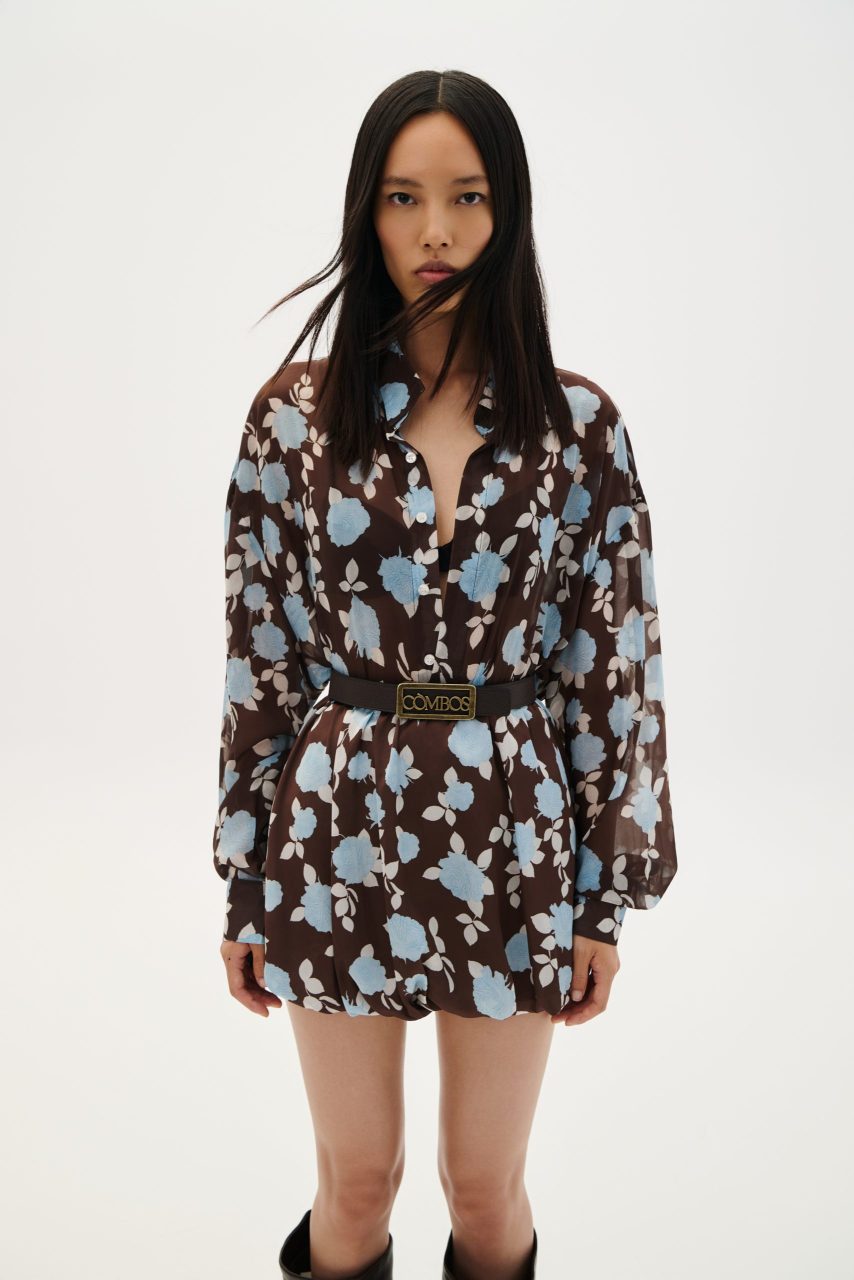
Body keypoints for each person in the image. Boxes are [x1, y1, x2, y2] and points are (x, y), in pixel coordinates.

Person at [212, 68, 678, 1280]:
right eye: (402, 197)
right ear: (364, 213)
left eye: (466, 196)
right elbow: (261, 660)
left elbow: (609, 667)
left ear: (506, 208)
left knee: (482, 1185)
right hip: (335, 828)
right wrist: (246, 885)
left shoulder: (577, 427)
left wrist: (599, 901)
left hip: (513, 826)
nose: (434, 231)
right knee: (356, 1181)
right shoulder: (290, 423)